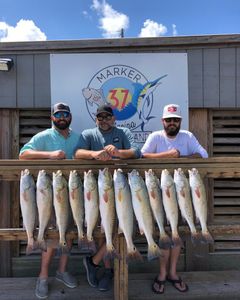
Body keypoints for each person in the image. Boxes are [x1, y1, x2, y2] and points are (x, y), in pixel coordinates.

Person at [141, 103, 208, 294]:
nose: (172, 123)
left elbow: (203, 155)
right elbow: (143, 156)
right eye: (169, 120)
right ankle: (162, 274)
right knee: (164, 235)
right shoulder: (155, 137)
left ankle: (173, 272)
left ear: (180, 121)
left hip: (183, 194)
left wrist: (182, 159)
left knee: (176, 234)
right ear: (163, 121)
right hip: (157, 196)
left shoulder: (187, 136)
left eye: (176, 120)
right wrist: (167, 155)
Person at [74, 103, 141, 291]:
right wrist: (94, 154)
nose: (104, 120)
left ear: (114, 119)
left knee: (118, 227)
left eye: (107, 117)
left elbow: (137, 152)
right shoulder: (88, 134)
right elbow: (77, 153)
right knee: (102, 229)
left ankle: (94, 263)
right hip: (95, 189)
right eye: (100, 117)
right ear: (96, 119)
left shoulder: (124, 132)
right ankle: (106, 270)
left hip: (121, 189)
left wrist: (119, 153)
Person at [19, 102, 79, 299]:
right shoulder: (43, 136)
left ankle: (62, 271)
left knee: (68, 233)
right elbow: (23, 155)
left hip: (72, 194)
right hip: (47, 196)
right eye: (58, 114)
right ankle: (43, 277)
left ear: (70, 117)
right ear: (52, 117)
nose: (62, 117)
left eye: (65, 114)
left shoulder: (78, 137)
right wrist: (50, 155)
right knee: (52, 237)